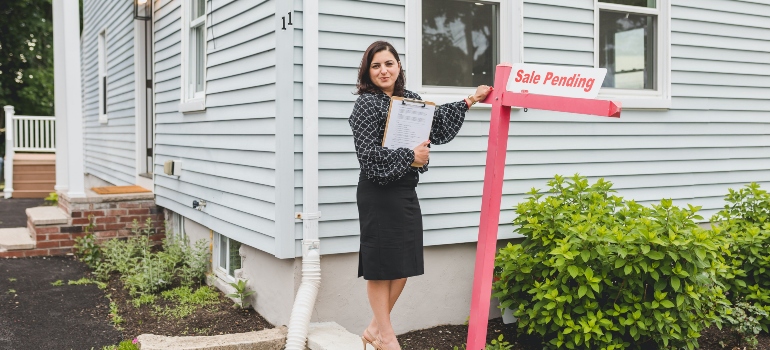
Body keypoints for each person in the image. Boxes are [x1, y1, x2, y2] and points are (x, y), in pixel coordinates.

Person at [349, 40, 493, 350]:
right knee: (380, 265)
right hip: (377, 193)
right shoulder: (365, 104)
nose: (383, 70)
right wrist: (409, 157)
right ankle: (387, 338)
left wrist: (471, 99)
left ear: (398, 66)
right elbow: (368, 158)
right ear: (368, 71)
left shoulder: (410, 100)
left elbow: (437, 124)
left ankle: (374, 329)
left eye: (388, 63)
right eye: (376, 66)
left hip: (404, 190)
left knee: (403, 265)